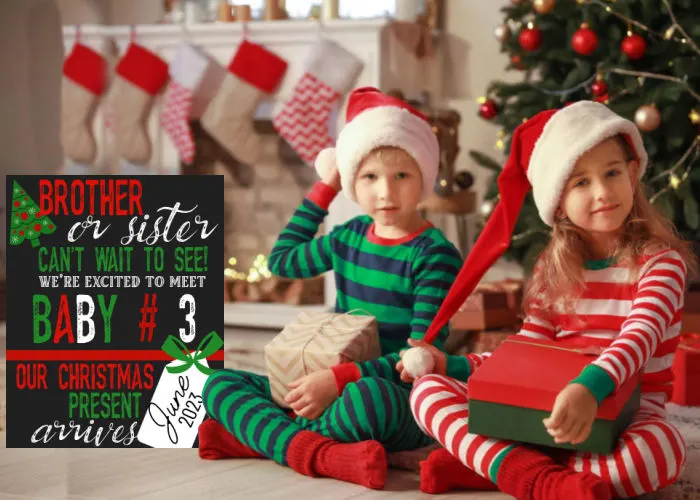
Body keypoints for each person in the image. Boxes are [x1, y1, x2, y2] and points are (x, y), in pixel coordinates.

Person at [402, 101, 697, 499]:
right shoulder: (551, 268)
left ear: (632, 174)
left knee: (659, 454)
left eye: (612, 173)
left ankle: (496, 466)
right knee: (427, 392)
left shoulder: (661, 263)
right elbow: (526, 354)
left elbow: (639, 337)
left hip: (630, 414)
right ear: (558, 202)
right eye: (581, 182)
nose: (603, 192)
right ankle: (543, 478)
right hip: (548, 408)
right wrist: (450, 364)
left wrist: (588, 388)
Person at [198, 87, 463, 489]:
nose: (385, 192)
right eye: (369, 177)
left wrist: (337, 381)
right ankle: (326, 453)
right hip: (325, 382)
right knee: (216, 383)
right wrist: (325, 187)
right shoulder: (347, 238)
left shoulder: (434, 255)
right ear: (352, 181)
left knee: (366, 401)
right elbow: (281, 261)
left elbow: (416, 360)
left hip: (389, 392)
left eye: (402, 176)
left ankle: (263, 437)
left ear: (423, 178)